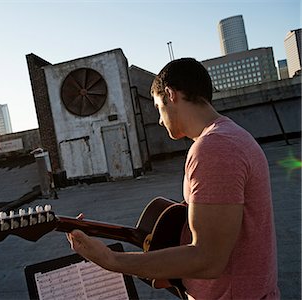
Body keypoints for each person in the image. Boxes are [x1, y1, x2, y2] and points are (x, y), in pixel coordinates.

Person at [67, 58, 280, 299]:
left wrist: (111, 260)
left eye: (158, 107)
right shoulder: (231, 137)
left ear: (170, 95)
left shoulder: (214, 148)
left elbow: (208, 260)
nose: (159, 119)